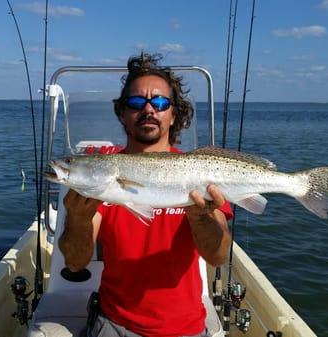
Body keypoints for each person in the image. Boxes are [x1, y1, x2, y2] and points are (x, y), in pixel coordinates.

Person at [58, 52, 233, 337]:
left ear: (174, 114)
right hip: (114, 323)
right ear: (122, 113)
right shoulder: (104, 171)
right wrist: (77, 219)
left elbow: (217, 256)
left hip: (185, 329)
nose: (149, 109)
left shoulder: (200, 170)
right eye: (137, 102)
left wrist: (201, 219)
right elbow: (75, 263)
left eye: (161, 102)